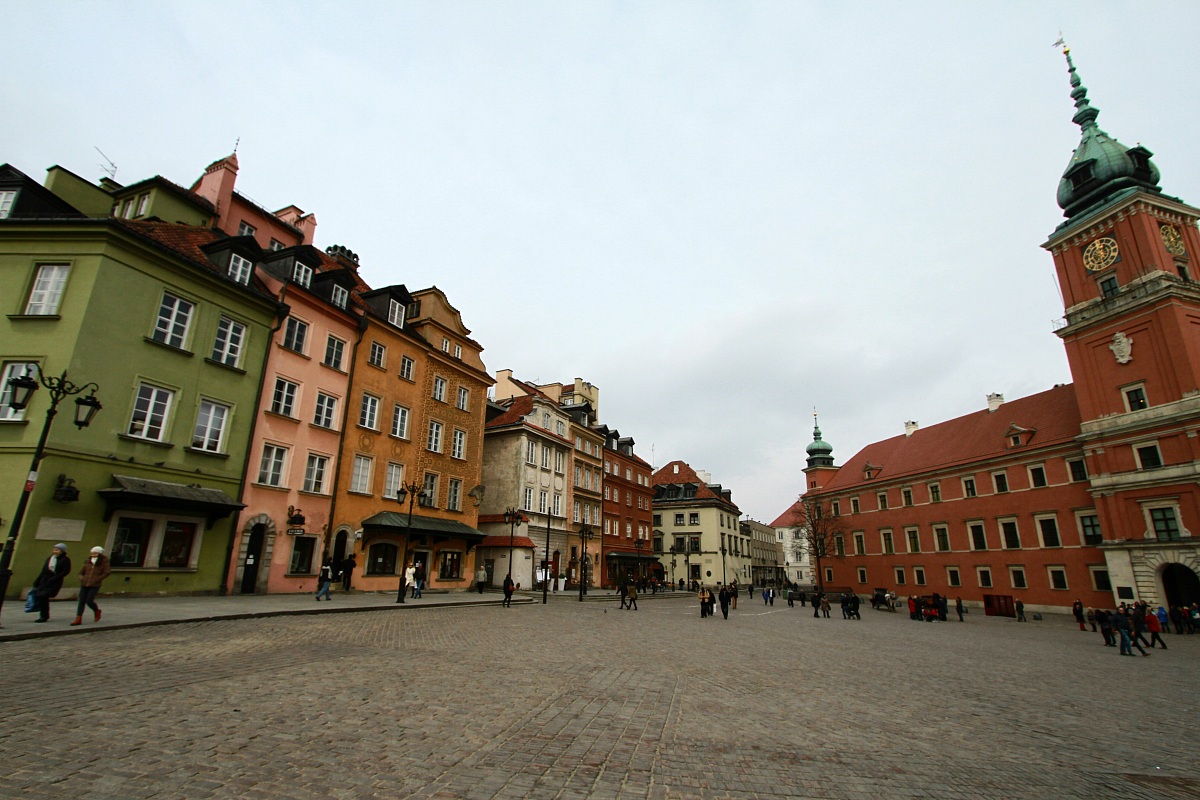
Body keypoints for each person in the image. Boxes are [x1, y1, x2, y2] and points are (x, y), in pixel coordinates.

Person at [71, 545, 111, 626]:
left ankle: (96, 610)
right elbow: (80, 572)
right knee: (81, 601)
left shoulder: (103, 562)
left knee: (89, 601)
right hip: (84, 583)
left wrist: (98, 579)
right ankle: (78, 618)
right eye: (92, 553)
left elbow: (107, 572)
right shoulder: (88, 561)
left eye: (95, 553)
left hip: (95, 584)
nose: (93, 554)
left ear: (99, 553)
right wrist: (82, 578)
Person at [31, 543, 71, 623]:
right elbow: (43, 570)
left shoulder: (65, 560)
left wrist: (54, 578)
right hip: (44, 580)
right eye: (54, 549)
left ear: (62, 551)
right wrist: (37, 580)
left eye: (57, 550)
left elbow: (65, 571)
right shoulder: (50, 558)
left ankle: (44, 616)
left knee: (43, 596)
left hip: (54, 581)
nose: (55, 551)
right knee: (41, 597)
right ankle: (43, 615)